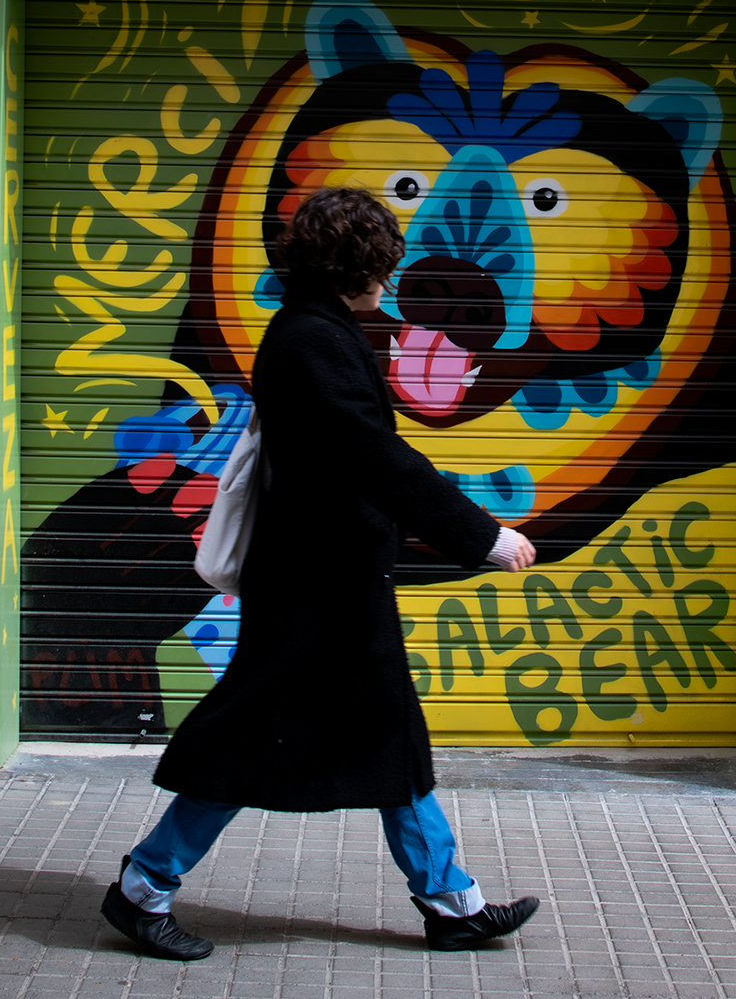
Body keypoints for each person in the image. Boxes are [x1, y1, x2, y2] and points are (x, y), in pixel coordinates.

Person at [101, 186, 541, 958]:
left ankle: (451, 901)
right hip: (313, 590)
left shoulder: (317, 330)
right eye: (384, 264)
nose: (391, 281)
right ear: (357, 266)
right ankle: (143, 887)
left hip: (332, 584)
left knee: (387, 736)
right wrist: (483, 536)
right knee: (253, 738)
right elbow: (375, 458)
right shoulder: (311, 341)